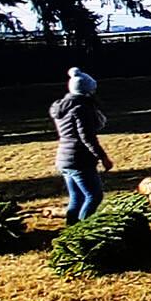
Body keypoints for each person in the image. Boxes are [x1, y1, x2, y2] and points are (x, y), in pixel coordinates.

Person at [49, 67, 113, 225]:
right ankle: (83, 230)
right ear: (88, 90)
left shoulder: (63, 107)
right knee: (94, 196)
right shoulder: (81, 108)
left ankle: (70, 229)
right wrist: (103, 157)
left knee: (77, 197)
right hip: (79, 159)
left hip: (64, 158)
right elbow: (87, 137)